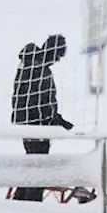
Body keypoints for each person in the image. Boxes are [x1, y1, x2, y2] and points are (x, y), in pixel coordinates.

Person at [10, 34, 73, 202]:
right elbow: (40, 102)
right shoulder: (39, 70)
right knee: (39, 167)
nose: (58, 60)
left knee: (33, 164)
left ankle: (19, 200)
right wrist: (55, 119)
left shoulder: (28, 65)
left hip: (27, 123)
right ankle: (31, 205)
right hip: (36, 125)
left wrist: (55, 118)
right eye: (58, 55)